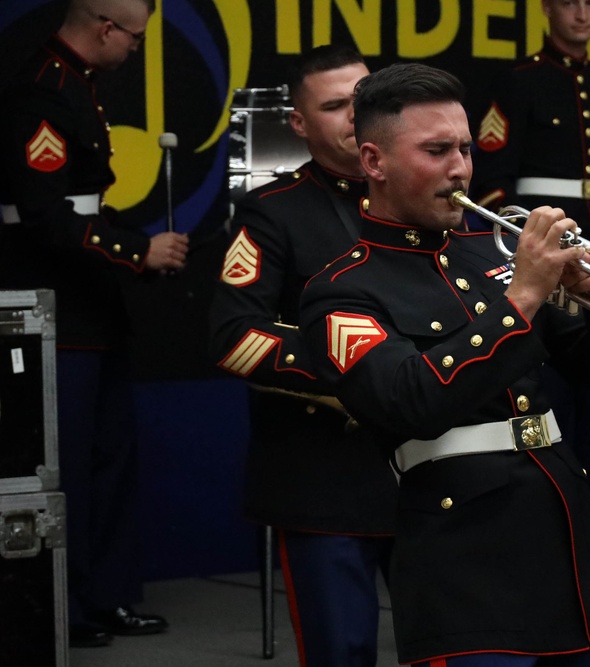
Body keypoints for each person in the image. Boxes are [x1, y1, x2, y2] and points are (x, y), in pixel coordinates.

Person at [298, 62, 590, 667]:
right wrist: (523, 300)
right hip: (464, 558)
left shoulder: (490, 254)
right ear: (374, 162)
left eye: (464, 148)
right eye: (436, 151)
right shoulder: (341, 290)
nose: (460, 167)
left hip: (562, 534)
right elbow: (409, 400)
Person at [0, 0, 188, 649]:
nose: (135, 49)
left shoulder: (77, 82)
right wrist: (138, 251)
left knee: (111, 454)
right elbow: (45, 215)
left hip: (91, 297)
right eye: (134, 38)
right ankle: (66, 602)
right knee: (70, 462)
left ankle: (106, 595)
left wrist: (130, 253)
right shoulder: (41, 89)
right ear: (105, 27)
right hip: (50, 302)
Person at [207, 46, 398, 667]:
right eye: (335, 105)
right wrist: (358, 368)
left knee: (452, 645)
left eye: (365, 97)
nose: (356, 115)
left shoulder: (426, 196)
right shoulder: (272, 213)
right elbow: (236, 339)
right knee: (341, 652)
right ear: (298, 124)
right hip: (324, 475)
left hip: (431, 472)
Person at [469, 0, 590, 586]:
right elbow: (494, 189)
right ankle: (551, 538)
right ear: (547, 9)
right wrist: (532, 252)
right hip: (543, 263)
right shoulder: (518, 80)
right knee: (553, 405)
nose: (581, 12)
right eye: (569, 1)